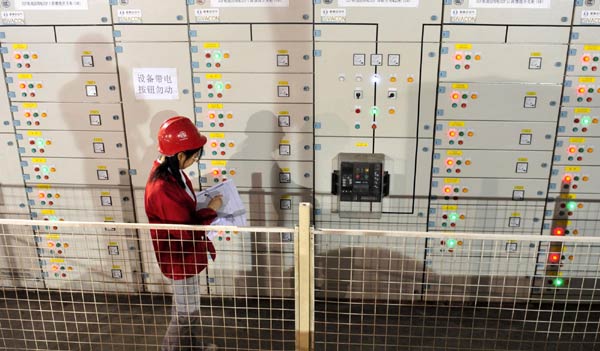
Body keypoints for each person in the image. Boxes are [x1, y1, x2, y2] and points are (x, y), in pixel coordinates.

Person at [144, 116, 222, 351]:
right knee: (184, 314)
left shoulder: (171, 173)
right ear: (179, 155)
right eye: (194, 155)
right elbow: (185, 232)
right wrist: (212, 210)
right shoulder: (162, 188)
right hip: (179, 258)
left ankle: (192, 347)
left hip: (185, 256)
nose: (195, 160)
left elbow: (183, 212)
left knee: (189, 309)